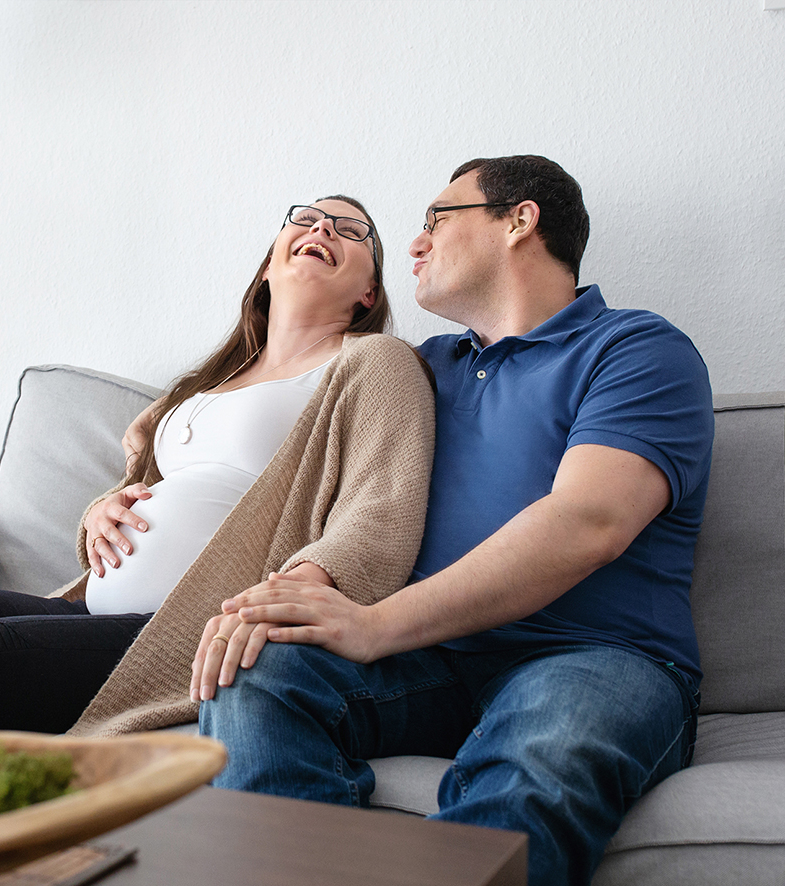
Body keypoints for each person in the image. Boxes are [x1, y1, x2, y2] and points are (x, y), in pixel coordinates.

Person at [195, 156, 713, 886]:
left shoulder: (636, 350)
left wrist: (374, 626)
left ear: (518, 220)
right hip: (429, 659)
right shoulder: (413, 369)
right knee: (257, 672)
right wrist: (133, 484)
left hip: (596, 654)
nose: (413, 243)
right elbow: (287, 473)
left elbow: (587, 521)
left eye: (438, 218)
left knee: (549, 749)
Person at [0, 196, 435, 738]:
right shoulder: (209, 385)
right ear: (269, 264)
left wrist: (303, 587)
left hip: (179, 633)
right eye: (307, 218)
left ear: (369, 293)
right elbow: (139, 494)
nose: (323, 230)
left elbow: (382, 510)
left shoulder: (373, 363)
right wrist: (100, 512)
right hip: (94, 609)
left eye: (351, 232)